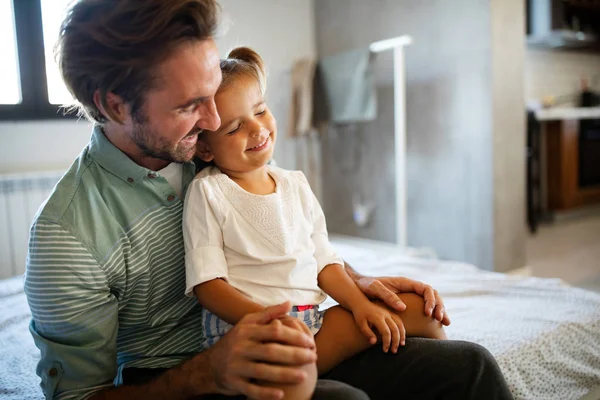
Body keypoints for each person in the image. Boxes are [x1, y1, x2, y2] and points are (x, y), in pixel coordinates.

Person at [22, 1, 514, 399]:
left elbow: (283, 236)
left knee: (469, 369)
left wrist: (358, 284)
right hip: (185, 381)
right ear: (114, 104)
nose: (216, 120)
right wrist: (206, 374)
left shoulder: (205, 148)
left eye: (214, 91)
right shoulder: (66, 238)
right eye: (190, 105)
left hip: (293, 335)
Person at [183, 46, 449, 399]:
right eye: (235, 129)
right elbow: (208, 285)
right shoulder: (209, 192)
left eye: (260, 111)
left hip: (315, 322)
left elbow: (325, 262)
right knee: (295, 369)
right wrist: (272, 321)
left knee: (421, 313)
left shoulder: (295, 184)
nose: (257, 128)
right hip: (256, 331)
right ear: (205, 150)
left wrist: (360, 304)